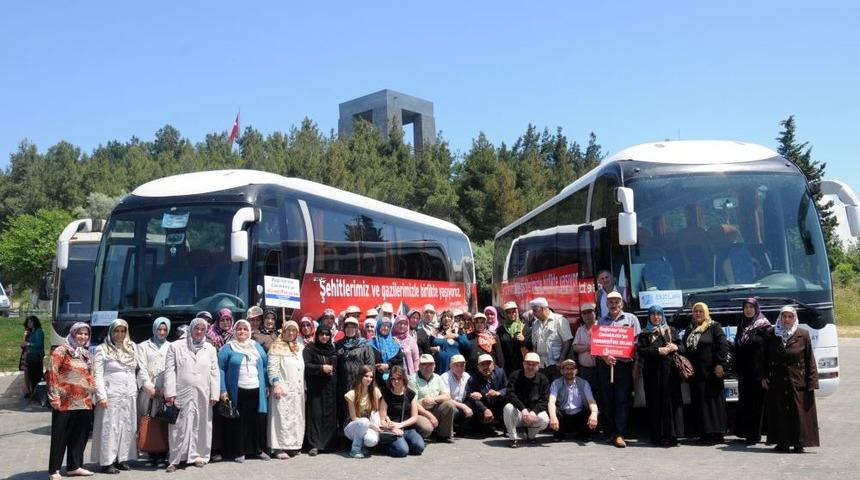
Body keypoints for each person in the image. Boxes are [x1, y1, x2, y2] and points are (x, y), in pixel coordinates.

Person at [163, 317, 220, 472]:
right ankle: (175, 460)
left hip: (203, 392)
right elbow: (169, 370)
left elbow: (215, 372)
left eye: (202, 329)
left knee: (201, 424)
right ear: (191, 329)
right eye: (196, 328)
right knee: (178, 426)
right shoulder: (176, 347)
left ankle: (199, 456)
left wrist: (215, 393)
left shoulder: (210, 349)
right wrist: (170, 392)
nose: (199, 332)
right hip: (181, 392)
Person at [760, 305, 819, 453]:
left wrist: (812, 382)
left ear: (794, 318)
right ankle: (782, 443)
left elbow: (809, 360)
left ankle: (799, 443)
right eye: (784, 316)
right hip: (778, 381)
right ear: (780, 318)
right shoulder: (771, 334)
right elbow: (764, 358)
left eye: (790, 316)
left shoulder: (803, 334)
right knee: (780, 413)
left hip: (797, 380)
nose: (786, 319)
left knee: (798, 413)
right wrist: (764, 376)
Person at [47, 322, 96, 480]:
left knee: (80, 436)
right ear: (73, 333)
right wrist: (54, 396)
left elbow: (91, 377)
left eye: (86, 334)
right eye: (79, 333)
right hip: (64, 402)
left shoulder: (86, 354)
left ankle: (74, 467)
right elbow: (52, 373)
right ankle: (54, 469)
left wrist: (93, 396)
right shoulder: (62, 350)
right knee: (60, 436)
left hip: (84, 401)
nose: (83, 336)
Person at [217, 319, 270, 462]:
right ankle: (239, 451)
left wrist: (266, 385)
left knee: (256, 421)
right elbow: (220, 369)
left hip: (255, 389)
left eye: (245, 329)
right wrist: (223, 389)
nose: (242, 331)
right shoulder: (228, 348)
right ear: (235, 331)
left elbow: (264, 366)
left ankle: (257, 450)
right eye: (239, 329)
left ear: (249, 331)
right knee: (239, 422)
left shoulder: (256, 346)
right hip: (237, 390)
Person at [91, 319, 139, 473]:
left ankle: (122, 458)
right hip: (110, 395)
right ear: (111, 332)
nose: (120, 334)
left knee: (126, 426)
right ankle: (107, 461)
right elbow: (97, 375)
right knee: (109, 428)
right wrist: (101, 395)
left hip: (129, 393)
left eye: (123, 331)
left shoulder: (132, 348)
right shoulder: (102, 349)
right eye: (116, 331)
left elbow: (137, 370)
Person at [596, 291, 641, 448]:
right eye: (611, 302)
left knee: (622, 400)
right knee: (607, 400)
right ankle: (610, 433)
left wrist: (636, 366)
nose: (614, 305)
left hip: (624, 366)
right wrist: (605, 357)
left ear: (622, 303)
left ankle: (620, 434)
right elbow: (596, 346)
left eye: (616, 302)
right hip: (606, 365)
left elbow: (637, 345)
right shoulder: (601, 321)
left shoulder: (631, 319)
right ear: (607, 305)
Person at [681, 302, 729, 445]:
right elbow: (685, 348)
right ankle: (704, 434)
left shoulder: (714, 326)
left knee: (713, 403)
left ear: (706, 312)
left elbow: (723, 345)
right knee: (700, 404)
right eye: (695, 311)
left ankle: (717, 434)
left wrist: (720, 364)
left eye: (701, 311)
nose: (698, 314)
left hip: (712, 372)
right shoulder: (690, 328)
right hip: (696, 373)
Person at [636, 305, 684, 446]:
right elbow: (641, 351)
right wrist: (658, 351)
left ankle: (671, 435)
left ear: (662, 316)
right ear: (649, 316)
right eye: (653, 314)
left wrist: (675, 347)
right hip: (652, 375)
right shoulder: (644, 334)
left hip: (670, 374)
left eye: (659, 314)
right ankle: (656, 436)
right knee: (654, 403)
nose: (656, 317)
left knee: (669, 403)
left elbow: (683, 348)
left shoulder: (671, 331)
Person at [734, 297, 772, 444]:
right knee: (746, 402)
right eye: (746, 307)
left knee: (758, 403)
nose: (748, 310)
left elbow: (767, 350)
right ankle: (747, 432)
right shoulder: (742, 325)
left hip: (758, 371)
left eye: (751, 307)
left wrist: (765, 372)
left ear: (756, 309)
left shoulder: (764, 327)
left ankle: (757, 434)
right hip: (745, 371)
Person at [136, 317, 172, 466]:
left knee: (164, 419)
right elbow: (141, 368)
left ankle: (163, 453)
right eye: (159, 329)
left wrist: (167, 387)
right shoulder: (143, 346)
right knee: (149, 418)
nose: (162, 332)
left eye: (164, 329)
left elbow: (172, 367)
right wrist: (148, 386)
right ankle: (151, 452)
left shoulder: (172, 346)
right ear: (154, 329)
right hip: (149, 389)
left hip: (165, 387)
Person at [267, 321, 305, 459]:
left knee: (294, 417)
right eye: (288, 330)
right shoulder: (276, 346)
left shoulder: (299, 347)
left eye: (294, 331)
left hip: (297, 389)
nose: (291, 333)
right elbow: (272, 368)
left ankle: (292, 446)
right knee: (281, 418)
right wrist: (275, 384)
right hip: (282, 388)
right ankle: (278, 447)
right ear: (283, 332)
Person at [303, 326, 339, 455]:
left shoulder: (333, 350)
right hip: (316, 388)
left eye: (327, 334)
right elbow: (306, 366)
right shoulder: (310, 349)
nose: (324, 337)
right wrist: (321, 368)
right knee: (316, 415)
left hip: (330, 388)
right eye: (321, 334)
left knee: (329, 415)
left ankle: (328, 444)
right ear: (317, 335)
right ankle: (314, 445)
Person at [336, 316, 376, 432]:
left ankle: (359, 437)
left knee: (358, 410)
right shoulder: (339, 344)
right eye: (347, 327)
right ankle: (344, 437)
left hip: (359, 384)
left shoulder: (364, 345)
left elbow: (370, 366)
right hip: (343, 384)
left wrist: (368, 382)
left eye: (352, 327)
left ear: (357, 329)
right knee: (344, 410)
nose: (349, 329)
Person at [503, 352, 550, 448]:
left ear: (538, 365)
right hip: (519, 413)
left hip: (533, 413)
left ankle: (531, 435)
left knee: (545, 419)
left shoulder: (543, 379)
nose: (530, 367)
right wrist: (523, 409)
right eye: (528, 363)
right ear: (524, 363)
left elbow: (544, 400)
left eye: (534, 364)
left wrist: (534, 412)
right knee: (508, 407)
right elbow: (510, 394)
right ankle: (513, 438)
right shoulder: (515, 375)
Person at [547, 359, 599, 442]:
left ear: (576, 371)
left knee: (592, 412)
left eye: (572, 369)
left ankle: (584, 434)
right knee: (554, 411)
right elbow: (551, 402)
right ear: (562, 371)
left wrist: (594, 414)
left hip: (579, 416)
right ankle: (559, 434)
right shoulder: (556, 383)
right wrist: (553, 417)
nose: (569, 371)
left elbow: (591, 401)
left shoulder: (584, 383)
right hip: (563, 416)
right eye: (566, 369)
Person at [379, 366, 426, 457]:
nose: (396, 381)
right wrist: (393, 428)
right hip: (392, 430)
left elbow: (414, 417)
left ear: (404, 379)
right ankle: (385, 447)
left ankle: (403, 443)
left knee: (419, 447)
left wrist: (401, 425)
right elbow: (382, 420)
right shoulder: (386, 394)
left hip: (408, 428)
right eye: (393, 379)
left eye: (399, 379)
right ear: (390, 380)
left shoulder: (410, 393)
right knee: (402, 451)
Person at [408, 354, 457, 442]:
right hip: (419, 412)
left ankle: (443, 435)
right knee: (427, 429)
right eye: (424, 364)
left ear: (434, 366)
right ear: (419, 366)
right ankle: (418, 434)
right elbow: (413, 403)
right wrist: (430, 416)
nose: (427, 367)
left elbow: (447, 395)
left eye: (430, 364)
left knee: (449, 404)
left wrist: (434, 399)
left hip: (434, 408)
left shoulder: (437, 378)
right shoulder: (412, 380)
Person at [526, 297, 572, 380]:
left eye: (535, 310)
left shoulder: (559, 320)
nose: (533, 313)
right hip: (540, 366)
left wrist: (561, 360)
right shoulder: (535, 324)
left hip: (555, 365)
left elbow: (567, 342)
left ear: (543, 309)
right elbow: (534, 345)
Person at [342, 366, 383, 458]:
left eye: (371, 377)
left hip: (367, 425)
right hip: (352, 427)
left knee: (371, 440)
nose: (369, 379)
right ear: (360, 377)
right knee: (364, 421)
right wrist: (371, 425)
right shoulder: (352, 394)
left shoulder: (375, 392)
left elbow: (375, 412)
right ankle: (355, 449)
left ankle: (363, 446)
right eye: (366, 376)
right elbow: (353, 417)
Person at [465, 354, 507, 436]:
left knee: (507, 400)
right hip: (484, 405)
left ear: (493, 365)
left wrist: (498, 393)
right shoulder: (473, 379)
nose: (485, 367)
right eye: (482, 364)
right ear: (478, 367)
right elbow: (470, 397)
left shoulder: (500, 372)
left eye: (488, 364)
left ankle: (505, 425)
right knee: (474, 402)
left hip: (498, 403)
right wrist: (485, 409)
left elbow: (507, 388)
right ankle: (483, 427)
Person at [440, 354, 473, 430]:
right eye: (456, 365)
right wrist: (464, 407)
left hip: (463, 403)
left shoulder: (467, 376)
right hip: (451, 405)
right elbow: (446, 398)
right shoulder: (445, 377)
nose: (460, 368)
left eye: (462, 365)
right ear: (451, 366)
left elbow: (470, 393)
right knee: (453, 409)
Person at [369, 316, 404, 385]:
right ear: (378, 327)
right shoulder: (371, 343)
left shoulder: (395, 344)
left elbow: (400, 362)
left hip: (393, 382)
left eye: (388, 326)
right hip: (375, 381)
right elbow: (367, 362)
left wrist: (388, 366)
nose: (386, 328)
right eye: (383, 325)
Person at [571, 303, 597, 386]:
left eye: (589, 312)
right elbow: (575, 347)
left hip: (599, 369)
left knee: (601, 394)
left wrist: (583, 348)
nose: (587, 316)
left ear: (595, 313)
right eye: (584, 313)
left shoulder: (601, 327)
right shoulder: (580, 330)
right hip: (584, 370)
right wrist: (590, 347)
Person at [497, 302, 525, 374]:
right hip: (506, 365)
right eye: (509, 312)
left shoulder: (523, 327)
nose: (512, 314)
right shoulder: (501, 329)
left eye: (514, 312)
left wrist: (523, 341)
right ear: (505, 314)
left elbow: (531, 345)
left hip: (521, 364)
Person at [21, 315, 45, 399]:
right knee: (31, 376)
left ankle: (37, 394)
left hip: (36, 356)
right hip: (30, 356)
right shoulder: (31, 332)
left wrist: (28, 344)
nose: (29, 323)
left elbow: (38, 344)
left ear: (35, 322)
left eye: (30, 322)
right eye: (28, 322)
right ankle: (34, 393)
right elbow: (22, 344)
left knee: (36, 376)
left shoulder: (38, 331)